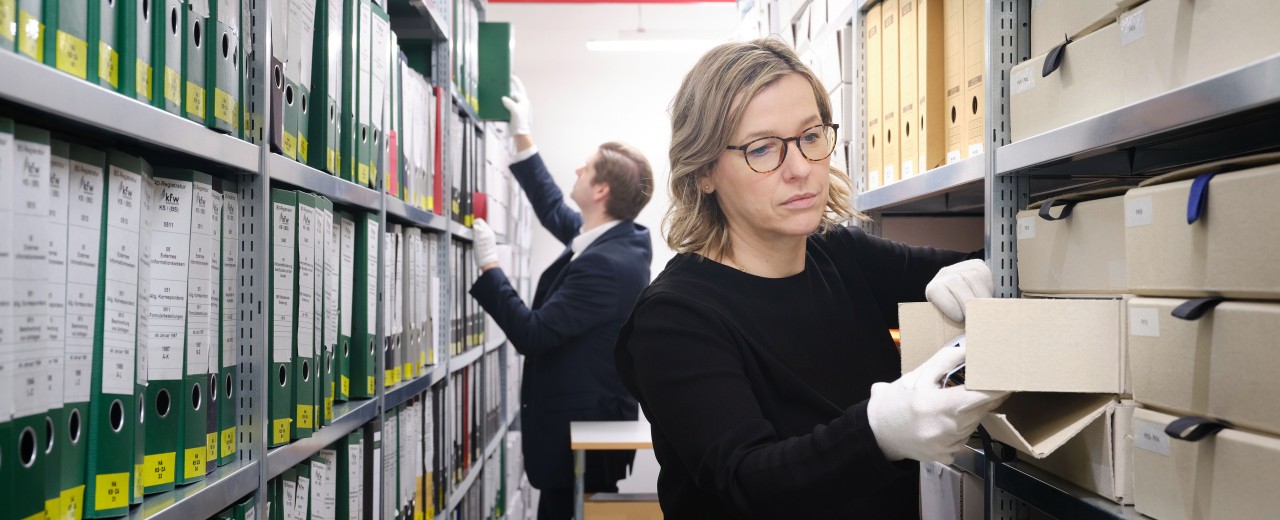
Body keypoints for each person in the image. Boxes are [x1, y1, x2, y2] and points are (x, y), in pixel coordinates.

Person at [613, 38, 1008, 518]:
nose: (800, 169)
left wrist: (983, 269)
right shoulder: (674, 319)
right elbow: (748, 479)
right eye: (762, 149)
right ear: (703, 173)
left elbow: (992, 262)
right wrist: (878, 432)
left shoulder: (840, 255)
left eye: (810, 136)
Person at [469, 76, 656, 520]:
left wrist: (490, 266)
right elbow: (553, 208)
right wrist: (523, 132)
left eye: (586, 167)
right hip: (580, 435)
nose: (576, 170)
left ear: (601, 191)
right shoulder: (613, 239)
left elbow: (533, 334)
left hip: (581, 442)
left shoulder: (606, 264)